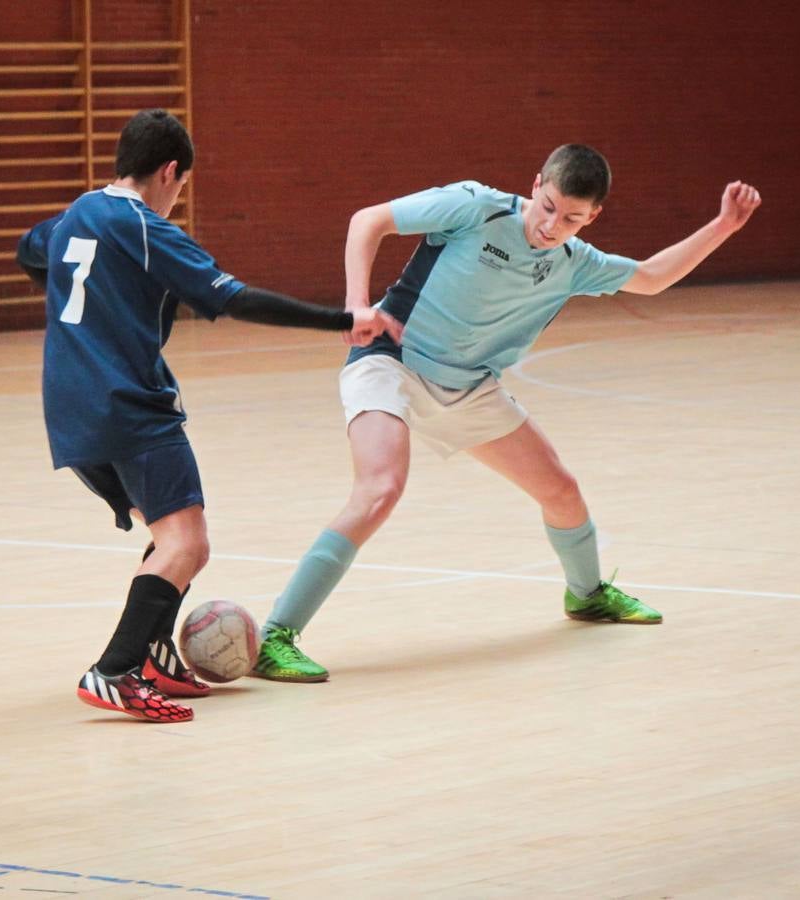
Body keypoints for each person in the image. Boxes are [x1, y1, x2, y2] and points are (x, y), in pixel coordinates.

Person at [251, 144, 762, 682]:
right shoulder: (476, 207)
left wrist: (724, 225)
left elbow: (651, 277)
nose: (551, 226)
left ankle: (587, 595)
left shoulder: (574, 263)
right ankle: (275, 635)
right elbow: (368, 221)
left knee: (561, 491)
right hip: (391, 359)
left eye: (571, 219)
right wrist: (358, 305)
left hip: (469, 386)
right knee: (381, 489)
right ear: (536, 183)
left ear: (593, 217)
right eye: (548, 206)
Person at [16, 109, 401, 720]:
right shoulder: (147, 230)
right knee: (186, 543)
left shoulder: (79, 213)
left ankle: (152, 657)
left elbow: (30, 251)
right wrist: (342, 320)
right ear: (170, 171)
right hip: (130, 404)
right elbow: (235, 298)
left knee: (172, 535)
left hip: (68, 406)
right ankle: (114, 670)